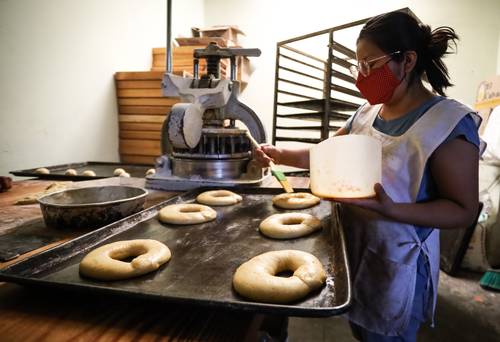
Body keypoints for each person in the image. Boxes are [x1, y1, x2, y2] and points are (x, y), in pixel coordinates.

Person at [255, 10, 483, 342]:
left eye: (369, 65)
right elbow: (325, 151)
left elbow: (461, 209)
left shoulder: (446, 124)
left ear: (406, 61)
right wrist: (280, 153)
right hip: (358, 248)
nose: (361, 76)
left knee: (388, 334)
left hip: (398, 262)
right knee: (362, 330)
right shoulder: (366, 113)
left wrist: (393, 210)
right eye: (358, 66)